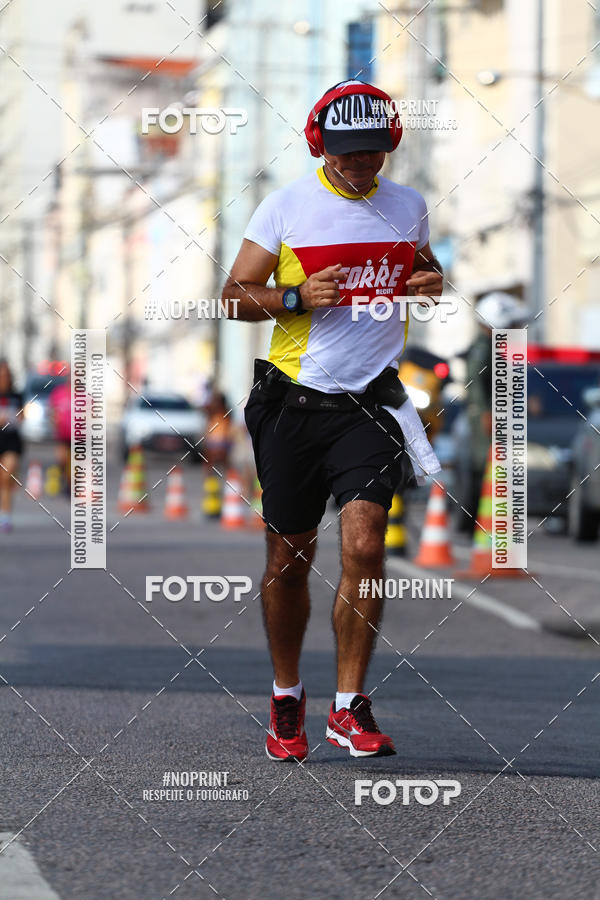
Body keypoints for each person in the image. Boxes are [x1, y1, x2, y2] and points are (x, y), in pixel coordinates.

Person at [222, 80, 443, 761]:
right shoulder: (286, 206)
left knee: (367, 545)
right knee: (289, 560)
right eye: (346, 151)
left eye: (372, 150)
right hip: (293, 402)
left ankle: (349, 706)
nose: (359, 162)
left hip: (370, 405)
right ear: (320, 144)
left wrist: (432, 281)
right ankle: (286, 694)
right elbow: (232, 297)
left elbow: (424, 269)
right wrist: (293, 296)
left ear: (390, 144)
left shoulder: (408, 205)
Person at [459, 292, 530, 533]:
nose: (515, 330)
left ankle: (485, 522)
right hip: (486, 418)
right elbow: (475, 383)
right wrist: (485, 413)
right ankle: (478, 523)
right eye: (511, 324)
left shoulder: (494, 345)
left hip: (492, 415)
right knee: (485, 466)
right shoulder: (483, 347)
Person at [0, 360, 24, 532]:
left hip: (11, 441)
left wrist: (17, 418)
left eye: (6, 375)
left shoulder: (16, 396)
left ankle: (5, 516)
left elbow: (23, 415)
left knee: (7, 477)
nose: (4, 379)